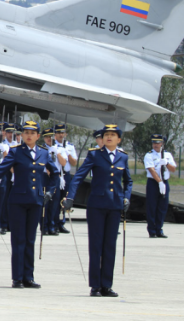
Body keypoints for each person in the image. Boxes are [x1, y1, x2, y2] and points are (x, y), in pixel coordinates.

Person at [0, 121, 57, 289]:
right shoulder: (16, 152)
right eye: (25, 132)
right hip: (18, 201)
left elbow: (55, 173)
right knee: (18, 240)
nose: (28, 135)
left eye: (32, 132)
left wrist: (50, 192)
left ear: (38, 135)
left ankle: (29, 276)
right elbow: (0, 171)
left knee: (30, 239)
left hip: (36, 201)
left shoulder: (44, 153)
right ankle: (17, 278)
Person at [64, 124, 132, 297]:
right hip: (96, 206)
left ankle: (107, 285)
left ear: (119, 139)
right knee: (96, 246)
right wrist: (71, 196)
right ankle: (95, 285)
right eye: (106, 135)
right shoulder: (95, 155)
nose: (109, 137)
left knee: (110, 246)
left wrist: (126, 197)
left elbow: (128, 181)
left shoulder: (123, 157)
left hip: (115, 206)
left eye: (112, 135)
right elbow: (79, 176)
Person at [143, 134, 176, 238]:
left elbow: (173, 169)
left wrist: (166, 163)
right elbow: (151, 170)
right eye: (154, 143)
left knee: (162, 207)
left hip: (165, 182)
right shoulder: (149, 155)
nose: (155, 145)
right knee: (152, 207)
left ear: (162, 143)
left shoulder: (167, 155)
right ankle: (152, 230)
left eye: (157, 143)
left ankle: (159, 229)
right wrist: (159, 182)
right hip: (153, 183)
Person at [41, 127, 67, 236]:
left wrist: (57, 153)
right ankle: (44, 226)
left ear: (54, 137)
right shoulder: (41, 149)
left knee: (54, 203)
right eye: (46, 137)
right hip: (44, 177)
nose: (49, 139)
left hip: (55, 177)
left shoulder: (60, 149)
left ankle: (52, 226)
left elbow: (64, 163)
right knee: (45, 203)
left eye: (51, 137)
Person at [53, 124, 77, 234]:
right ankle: (53, 222)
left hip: (66, 174)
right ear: (55, 135)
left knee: (64, 199)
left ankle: (61, 222)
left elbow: (74, 163)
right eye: (58, 133)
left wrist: (68, 154)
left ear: (65, 134)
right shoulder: (53, 146)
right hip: (56, 174)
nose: (61, 135)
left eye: (62, 133)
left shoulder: (70, 146)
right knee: (55, 199)